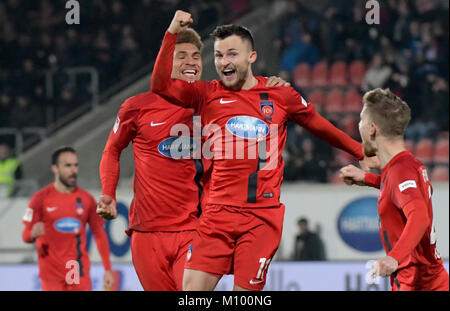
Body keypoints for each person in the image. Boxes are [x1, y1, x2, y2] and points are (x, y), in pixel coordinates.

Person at [150, 11, 377, 291]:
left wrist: (359, 150)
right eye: (219, 56)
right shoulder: (206, 93)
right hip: (215, 215)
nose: (224, 62)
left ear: (251, 57)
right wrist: (171, 32)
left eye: (232, 54)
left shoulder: (280, 95)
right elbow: (160, 85)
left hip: (260, 218)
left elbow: (319, 126)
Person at [96, 28, 288, 291]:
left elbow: (255, 95)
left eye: (196, 56)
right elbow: (112, 150)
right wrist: (108, 193)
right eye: (181, 55)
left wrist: (273, 85)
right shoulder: (137, 107)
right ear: (165, 62)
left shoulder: (212, 101)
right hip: (146, 232)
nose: (191, 61)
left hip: (195, 228)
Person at [340, 88, 449, 291]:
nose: (358, 125)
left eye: (362, 119)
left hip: (418, 284)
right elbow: (398, 190)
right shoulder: (405, 165)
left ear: (372, 128)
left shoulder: (400, 170)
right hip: (427, 280)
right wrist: (366, 178)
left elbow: (419, 216)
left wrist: (392, 258)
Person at [22, 147, 114, 291]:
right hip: (51, 275)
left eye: (76, 165)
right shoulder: (39, 199)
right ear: (55, 168)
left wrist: (108, 269)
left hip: (77, 271)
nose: (73, 170)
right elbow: (25, 235)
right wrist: (32, 234)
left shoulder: (86, 199)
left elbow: (99, 234)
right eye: (68, 165)